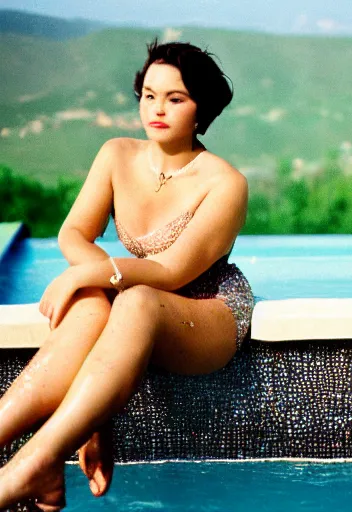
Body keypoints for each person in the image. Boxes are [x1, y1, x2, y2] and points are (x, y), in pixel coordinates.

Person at [0, 38, 254, 510]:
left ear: (201, 110)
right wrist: (93, 279)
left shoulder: (225, 183)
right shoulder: (116, 154)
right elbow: (74, 232)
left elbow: (171, 271)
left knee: (127, 298)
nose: (157, 109)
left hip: (208, 310)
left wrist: (90, 273)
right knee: (90, 306)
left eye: (175, 98)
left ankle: (36, 461)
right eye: (149, 95)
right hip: (135, 301)